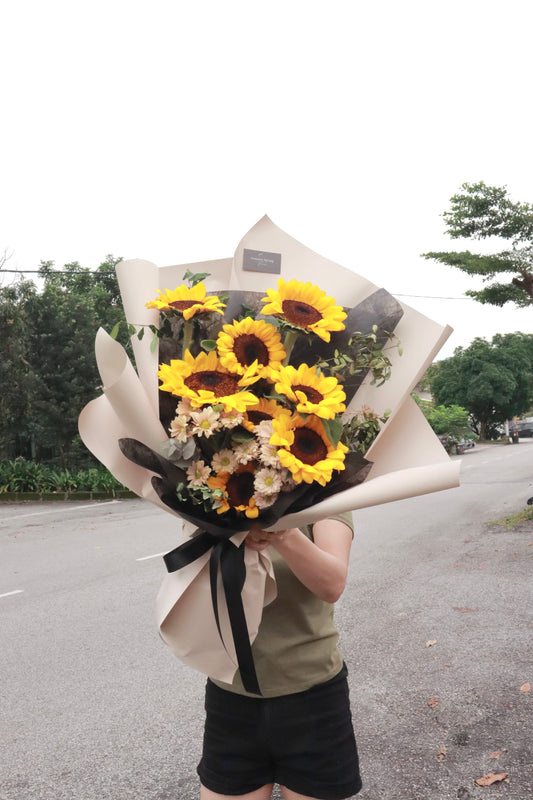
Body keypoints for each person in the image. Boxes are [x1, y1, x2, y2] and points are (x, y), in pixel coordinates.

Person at [197, 512, 362, 800]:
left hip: (312, 700)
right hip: (232, 699)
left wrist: (281, 531)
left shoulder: (325, 485)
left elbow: (332, 583)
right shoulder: (211, 490)